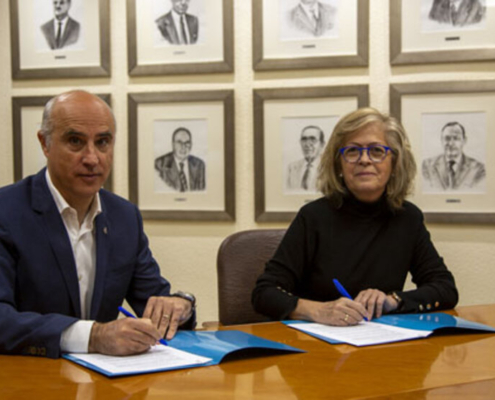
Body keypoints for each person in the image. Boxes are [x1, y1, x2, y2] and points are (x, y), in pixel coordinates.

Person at [0, 90, 196, 358]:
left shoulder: (125, 217)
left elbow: (156, 303)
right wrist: (93, 336)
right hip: (28, 374)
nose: (92, 158)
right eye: (75, 141)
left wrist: (182, 305)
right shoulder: (6, 211)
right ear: (45, 144)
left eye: (103, 142)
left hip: (106, 377)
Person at [252, 108, 458, 326]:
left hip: (380, 339)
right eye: (352, 151)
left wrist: (392, 301)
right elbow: (264, 293)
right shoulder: (313, 217)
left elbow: (445, 288)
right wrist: (318, 310)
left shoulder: (408, 218)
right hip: (316, 340)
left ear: (394, 163)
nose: (364, 160)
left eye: (376, 151)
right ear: (339, 164)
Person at [422, 121, 485, 191]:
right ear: (441, 140)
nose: (451, 143)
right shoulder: (427, 166)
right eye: (447, 138)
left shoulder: (478, 169)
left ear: (464, 141)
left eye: (456, 138)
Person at [155, 127, 206, 192]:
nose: (183, 147)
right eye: (179, 142)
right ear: (173, 144)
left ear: (191, 145)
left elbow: (201, 193)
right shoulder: (160, 164)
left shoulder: (199, 165)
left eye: (187, 143)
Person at [287, 125, 325, 191]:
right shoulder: (291, 167)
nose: (307, 144)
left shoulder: (328, 168)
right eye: (304, 139)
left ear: (322, 144)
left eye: (313, 139)